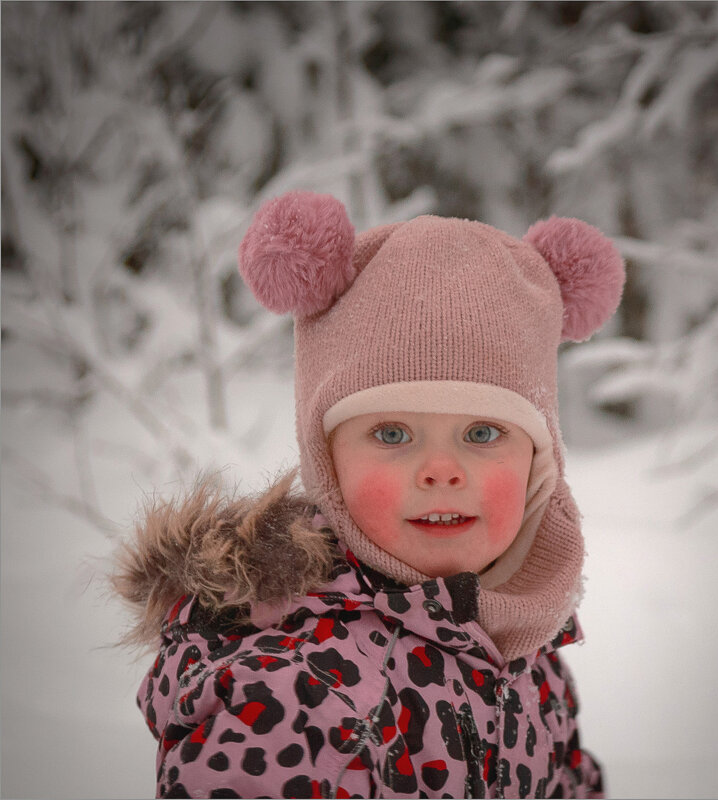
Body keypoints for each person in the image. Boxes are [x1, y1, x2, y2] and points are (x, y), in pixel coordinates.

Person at [113, 191, 625, 799]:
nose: (441, 470)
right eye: (392, 433)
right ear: (327, 460)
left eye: (482, 433)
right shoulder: (296, 694)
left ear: (540, 465)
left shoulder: (526, 654)